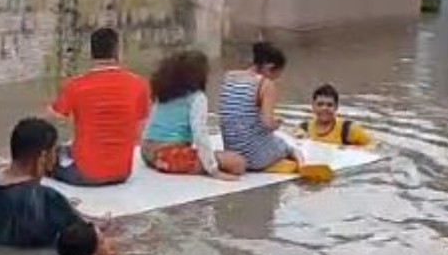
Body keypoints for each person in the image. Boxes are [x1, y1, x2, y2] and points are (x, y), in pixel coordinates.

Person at [0, 118, 116, 255]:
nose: (56, 157)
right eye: (54, 151)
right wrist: (105, 224)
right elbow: (87, 236)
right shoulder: (46, 198)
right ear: (43, 157)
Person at [48, 27, 150, 187]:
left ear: (91, 53)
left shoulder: (75, 86)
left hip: (85, 174)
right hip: (122, 172)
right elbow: (140, 126)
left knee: (45, 158)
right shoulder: (139, 84)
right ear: (118, 52)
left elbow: (53, 117)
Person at [141, 50, 245, 180]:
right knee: (238, 162)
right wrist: (213, 170)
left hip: (146, 153)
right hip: (167, 156)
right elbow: (200, 134)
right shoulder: (197, 98)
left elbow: (149, 125)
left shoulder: (165, 94)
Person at [219, 41, 299, 172]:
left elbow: (236, 113)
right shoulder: (265, 84)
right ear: (270, 67)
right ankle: (302, 165)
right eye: (276, 75)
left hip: (231, 150)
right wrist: (277, 123)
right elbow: (267, 123)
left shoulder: (229, 76)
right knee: (288, 147)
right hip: (254, 157)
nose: (275, 79)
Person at [293, 83, 374, 147]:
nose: (324, 108)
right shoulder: (303, 128)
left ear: (336, 107)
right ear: (313, 106)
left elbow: (374, 147)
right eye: (320, 104)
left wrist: (349, 149)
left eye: (329, 105)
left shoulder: (348, 129)